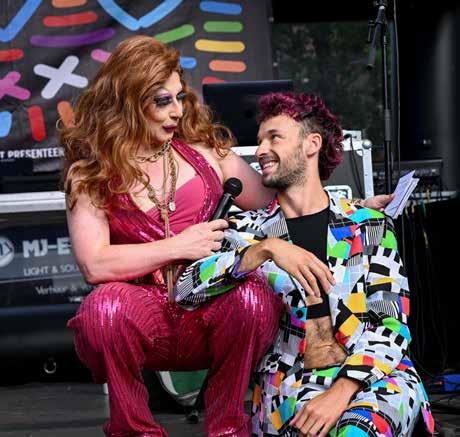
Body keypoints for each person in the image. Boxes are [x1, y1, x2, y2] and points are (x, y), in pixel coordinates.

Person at [175, 92, 435, 437]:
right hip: (288, 387)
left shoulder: (368, 226)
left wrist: (341, 392)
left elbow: (391, 326)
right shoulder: (246, 233)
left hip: (373, 378)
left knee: (356, 432)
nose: (261, 150)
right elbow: (184, 290)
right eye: (260, 140)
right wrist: (262, 251)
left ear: (312, 144)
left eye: (274, 137)